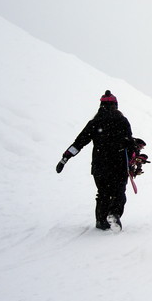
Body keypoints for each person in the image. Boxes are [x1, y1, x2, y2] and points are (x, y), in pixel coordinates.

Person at [55, 90, 136, 231]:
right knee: (118, 192)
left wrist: (65, 157)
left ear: (101, 106)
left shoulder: (94, 123)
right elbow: (129, 143)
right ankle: (114, 214)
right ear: (116, 105)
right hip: (118, 165)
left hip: (100, 166)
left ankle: (101, 221)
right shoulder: (122, 121)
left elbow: (79, 143)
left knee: (103, 193)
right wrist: (133, 160)